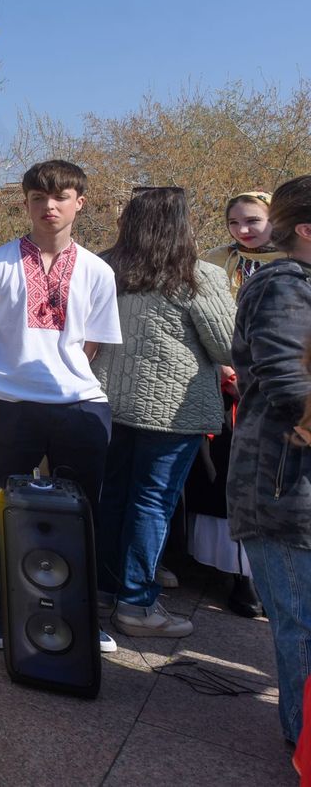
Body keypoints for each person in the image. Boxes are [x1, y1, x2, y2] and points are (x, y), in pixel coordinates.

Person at [0, 160, 122, 652]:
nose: (48, 206)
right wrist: (15, 372)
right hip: (11, 403)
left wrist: (58, 372)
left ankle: (81, 611)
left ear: (80, 202)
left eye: (60, 196)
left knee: (85, 510)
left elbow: (93, 343)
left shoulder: (97, 270)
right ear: (26, 203)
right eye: (37, 197)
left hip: (80, 404)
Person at [91, 188, 233, 638]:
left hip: (107, 401)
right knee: (152, 502)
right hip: (172, 411)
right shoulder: (197, 275)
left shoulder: (103, 266)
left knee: (111, 495)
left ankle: (105, 588)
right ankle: (137, 603)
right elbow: (229, 345)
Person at [227, 176, 311, 748]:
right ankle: (302, 741)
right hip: (282, 487)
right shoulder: (284, 287)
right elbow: (290, 385)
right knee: (301, 626)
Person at [192, 191, 284, 617]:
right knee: (227, 476)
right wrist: (224, 367)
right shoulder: (214, 261)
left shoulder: (294, 259)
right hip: (225, 384)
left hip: (281, 386)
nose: (242, 231)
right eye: (234, 223)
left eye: (252, 221)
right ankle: (238, 576)